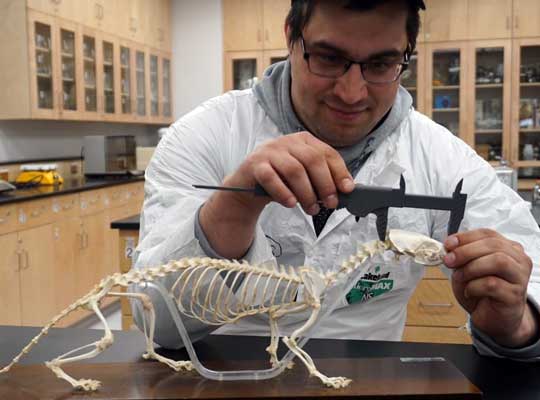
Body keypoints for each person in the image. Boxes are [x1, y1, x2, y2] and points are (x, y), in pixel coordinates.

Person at [132, 0, 540, 360]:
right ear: (292, 37)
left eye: (380, 64)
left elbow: (530, 271)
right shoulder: (203, 137)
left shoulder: (442, 158)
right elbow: (157, 324)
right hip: (221, 378)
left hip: (369, 380)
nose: (351, 92)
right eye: (328, 58)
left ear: (405, 56)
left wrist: (516, 323)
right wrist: (233, 210)